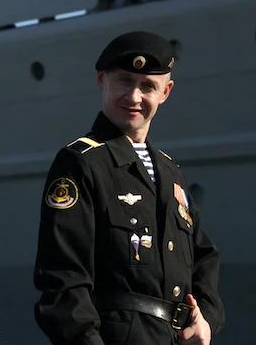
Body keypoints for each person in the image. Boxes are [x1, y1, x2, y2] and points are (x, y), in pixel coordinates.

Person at [32, 31, 223, 345]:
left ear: (165, 92)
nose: (134, 97)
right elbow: (63, 281)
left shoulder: (170, 172)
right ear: (101, 80)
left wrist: (207, 319)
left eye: (148, 86)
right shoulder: (81, 163)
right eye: (124, 81)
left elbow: (204, 258)